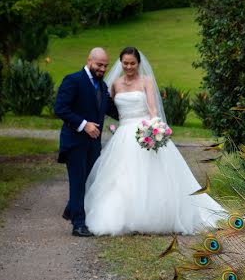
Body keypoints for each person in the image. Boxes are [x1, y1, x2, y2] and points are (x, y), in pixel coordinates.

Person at [83, 47, 226, 236]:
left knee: (151, 176)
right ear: (120, 63)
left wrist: (154, 127)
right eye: (125, 63)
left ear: (138, 64)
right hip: (123, 134)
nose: (128, 67)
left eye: (132, 63)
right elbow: (106, 107)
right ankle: (121, 216)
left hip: (144, 132)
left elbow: (152, 108)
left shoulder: (146, 81)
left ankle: (154, 216)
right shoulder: (115, 84)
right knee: (121, 177)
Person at [54, 48, 120, 237]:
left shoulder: (102, 86)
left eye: (105, 66)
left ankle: (71, 209)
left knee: (91, 181)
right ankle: (79, 224)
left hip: (94, 143)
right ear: (89, 60)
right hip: (75, 141)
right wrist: (84, 125)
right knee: (78, 182)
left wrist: (135, 116)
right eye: (99, 65)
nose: (102, 69)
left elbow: (109, 108)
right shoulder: (73, 80)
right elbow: (60, 108)